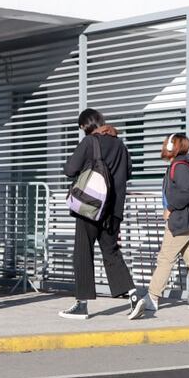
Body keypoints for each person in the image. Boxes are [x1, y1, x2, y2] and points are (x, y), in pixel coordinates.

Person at [58, 110, 138, 320]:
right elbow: (128, 172)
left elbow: (70, 169)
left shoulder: (90, 142)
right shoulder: (120, 145)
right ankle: (134, 296)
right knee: (111, 251)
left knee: (83, 251)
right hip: (114, 209)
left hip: (91, 207)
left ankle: (82, 304)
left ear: (85, 126)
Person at [129, 133, 189, 319]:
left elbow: (186, 193)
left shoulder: (180, 167)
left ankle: (152, 297)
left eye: (166, 143)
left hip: (180, 220)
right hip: (185, 220)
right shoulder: (181, 165)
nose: (164, 146)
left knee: (165, 258)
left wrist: (170, 208)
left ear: (172, 147)